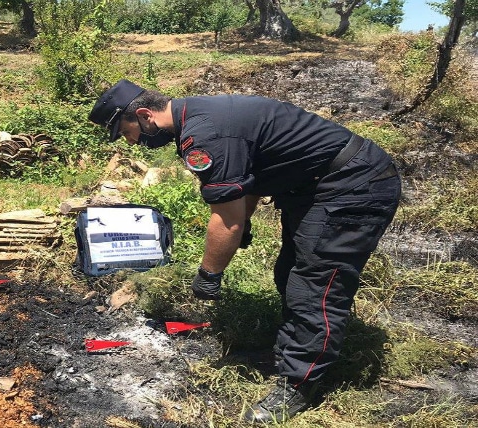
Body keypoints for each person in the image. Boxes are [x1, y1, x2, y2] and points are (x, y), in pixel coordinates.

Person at [88, 80, 401, 423]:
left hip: (351, 186)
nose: (132, 142)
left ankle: (299, 383)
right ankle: (294, 350)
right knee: (291, 272)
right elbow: (248, 177)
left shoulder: (205, 135)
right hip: (315, 186)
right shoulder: (198, 114)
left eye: (127, 132)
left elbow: (226, 218)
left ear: (145, 116)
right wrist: (243, 217)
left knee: (316, 286)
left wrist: (209, 275)